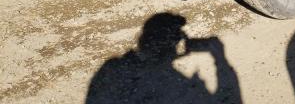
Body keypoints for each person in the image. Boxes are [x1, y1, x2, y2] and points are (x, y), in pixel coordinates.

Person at [86, 12, 241, 103]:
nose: (181, 38)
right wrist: (220, 57)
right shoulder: (118, 70)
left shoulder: (113, 67)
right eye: (177, 36)